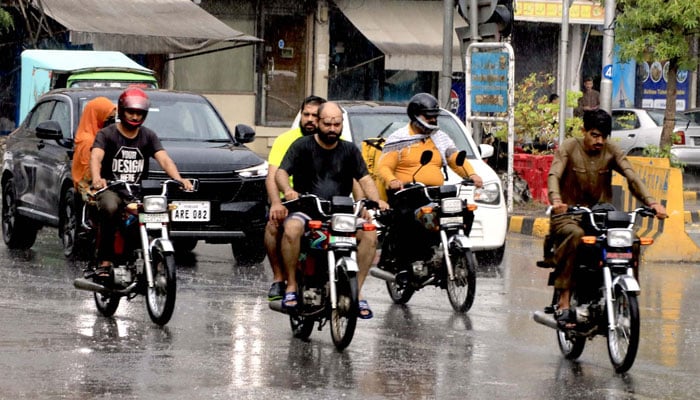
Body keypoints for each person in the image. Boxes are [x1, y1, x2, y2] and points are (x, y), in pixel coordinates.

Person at [547, 109, 667, 329]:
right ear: (584, 130)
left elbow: (632, 176)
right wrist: (556, 201)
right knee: (576, 235)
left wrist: (652, 203)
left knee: (632, 240)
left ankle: (625, 298)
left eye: (604, 136)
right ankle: (564, 300)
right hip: (569, 215)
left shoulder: (612, 151)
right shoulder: (569, 148)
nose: (599, 141)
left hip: (601, 216)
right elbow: (554, 175)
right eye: (594, 135)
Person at [275, 101, 389, 318]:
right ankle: (290, 286)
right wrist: (288, 190)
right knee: (291, 229)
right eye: (327, 124)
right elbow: (281, 173)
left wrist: (375, 201)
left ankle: (358, 290)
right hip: (307, 210)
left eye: (336, 124)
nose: (332, 129)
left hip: (341, 214)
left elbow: (365, 178)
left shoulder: (349, 150)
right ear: (318, 122)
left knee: (370, 233)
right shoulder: (302, 145)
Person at [90, 87, 193, 278]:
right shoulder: (107, 134)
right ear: (121, 111)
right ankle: (105, 261)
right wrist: (97, 178)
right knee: (110, 208)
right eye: (131, 112)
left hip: (137, 191)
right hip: (111, 188)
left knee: (161, 212)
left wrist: (178, 179)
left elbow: (164, 159)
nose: (135, 116)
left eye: (139, 113)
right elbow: (96, 157)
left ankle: (157, 258)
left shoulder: (148, 135)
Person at [264, 95, 327, 301]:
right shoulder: (286, 140)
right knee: (273, 226)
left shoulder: (338, 142)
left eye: (315, 116)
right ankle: (279, 278)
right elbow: (273, 176)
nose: (310, 119)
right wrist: (276, 203)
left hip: (326, 206)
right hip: (291, 204)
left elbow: (356, 177)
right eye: (305, 114)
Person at [377, 93, 484, 191]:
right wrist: (392, 180)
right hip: (406, 195)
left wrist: (472, 175)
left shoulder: (440, 138)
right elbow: (384, 167)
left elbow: (455, 158)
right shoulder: (399, 139)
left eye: (435, 116)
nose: (433, 120)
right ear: (415, 115)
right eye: (428, 117)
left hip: (435, 193)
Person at [71, 97, 116, 200]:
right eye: (109, 118)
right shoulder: (88, 141)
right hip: (91, 189)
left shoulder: (99, 136)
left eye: (113, 118)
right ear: (98, 117)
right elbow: (88, 173)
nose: (112, 123)